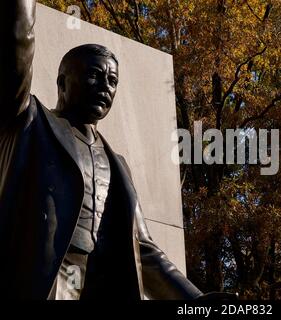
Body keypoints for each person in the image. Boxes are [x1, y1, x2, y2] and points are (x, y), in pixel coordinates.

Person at [0, 0, 208, 300]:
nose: (105, 87)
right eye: (94, 75)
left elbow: (144, 250)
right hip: (44, 284)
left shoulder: (118, 164)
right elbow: (17, 43)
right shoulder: (30, 122)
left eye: (112, 81)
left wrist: (199, 302)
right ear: (62, 82)